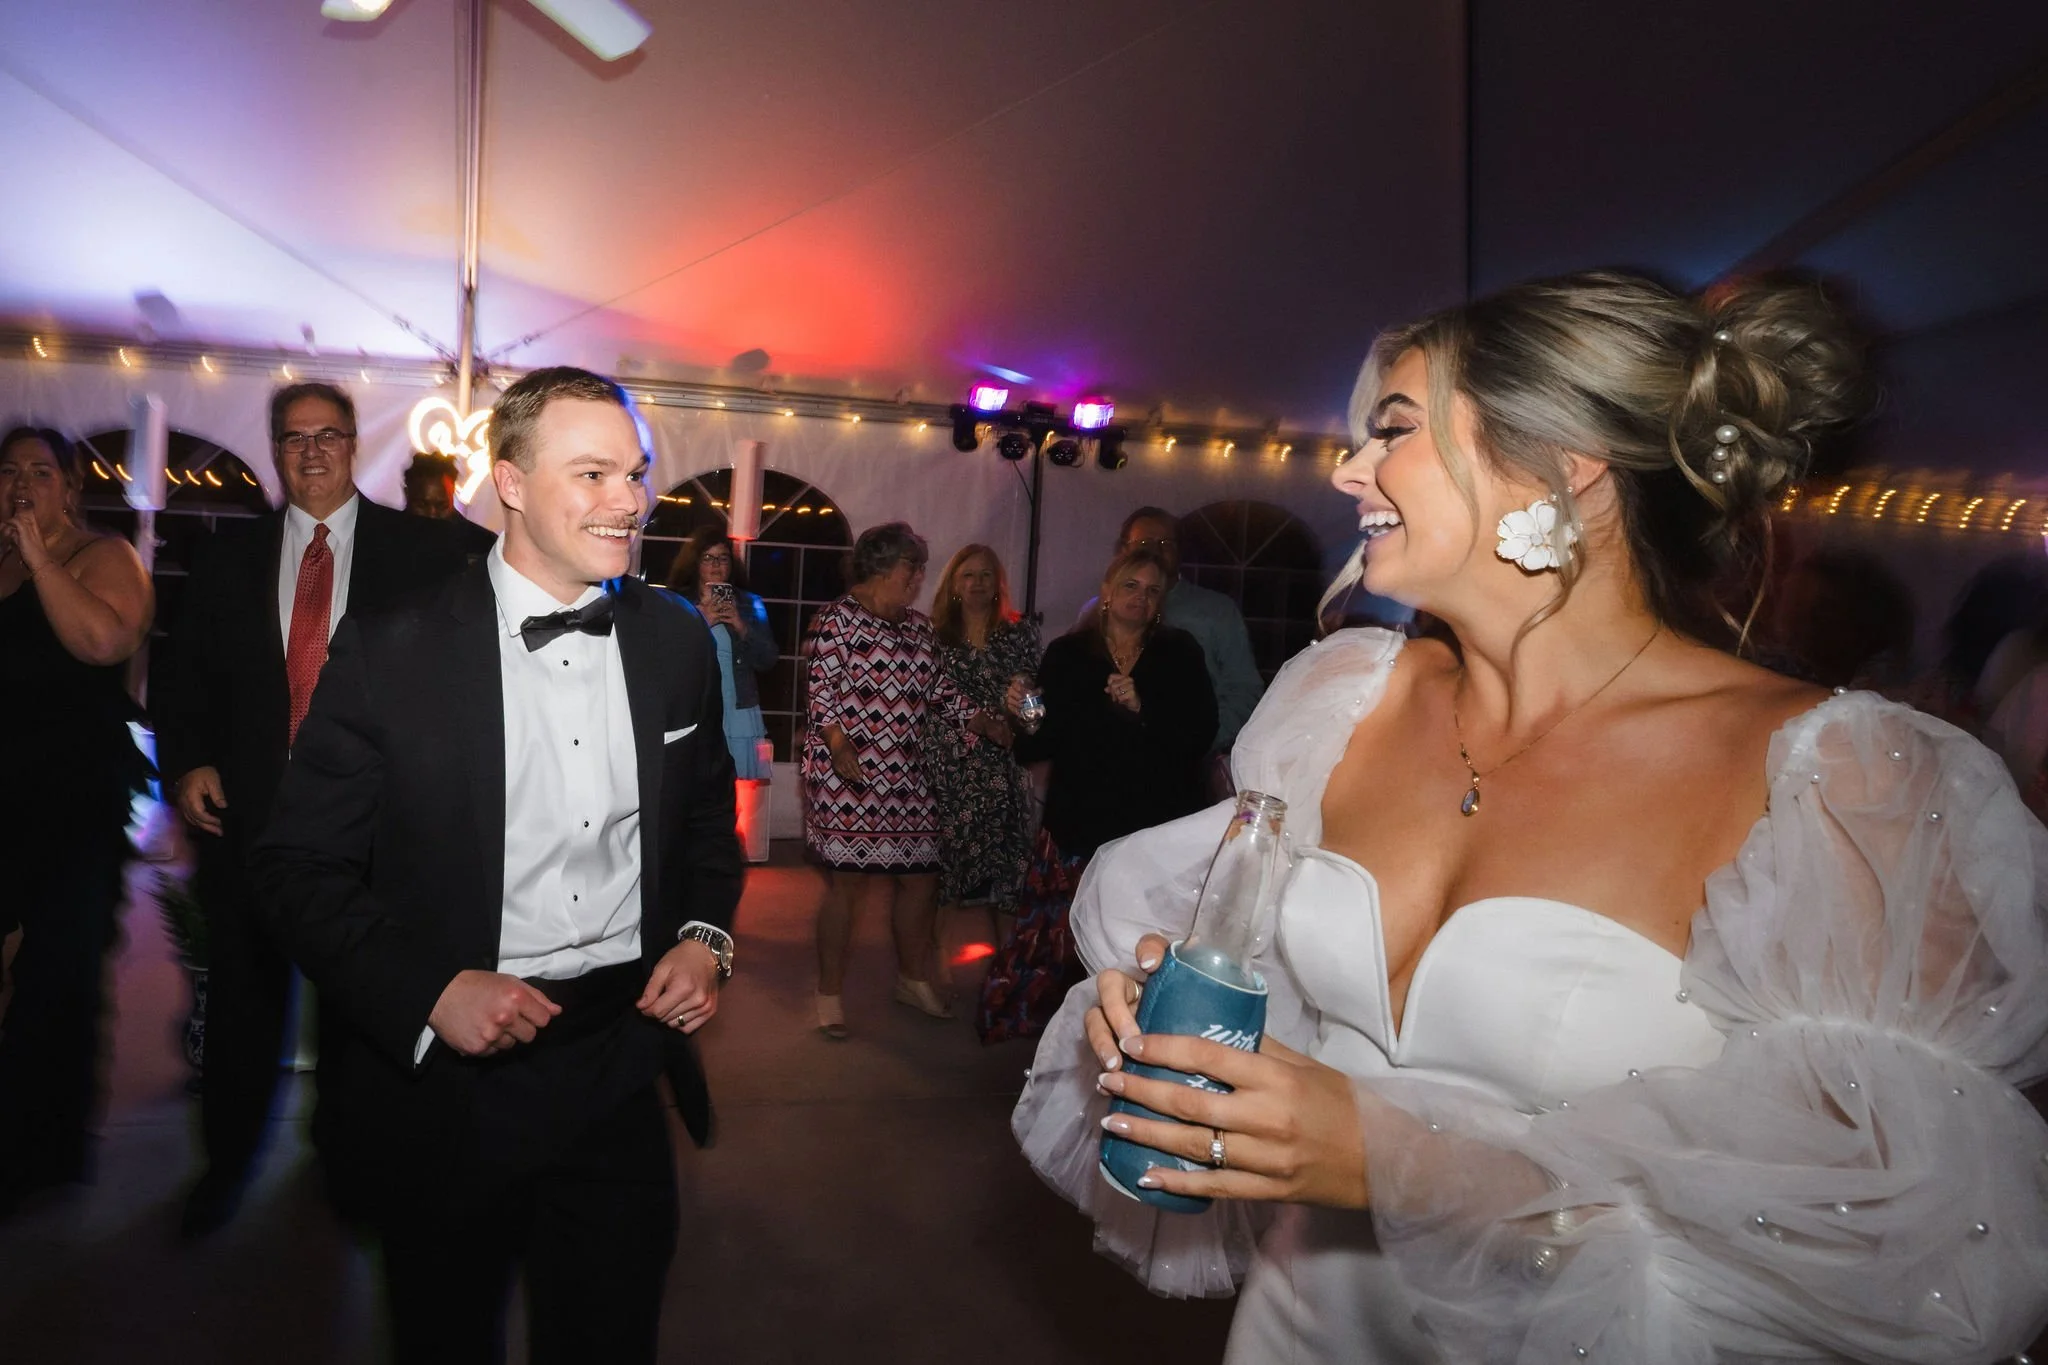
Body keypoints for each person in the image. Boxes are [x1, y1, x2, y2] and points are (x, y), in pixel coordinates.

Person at [1013, 271, 2048, 1361]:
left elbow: (1875, 1256)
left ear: (1565, 465)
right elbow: (1285, 996)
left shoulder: (1834, 784)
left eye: (1393, 430)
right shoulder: (1343, 700)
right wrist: (1188, 1024)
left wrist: (1395, 1161)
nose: (1348, 468)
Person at [249, 366, 743, 1364]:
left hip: (617, 1056)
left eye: (635, 474)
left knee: (609, 1335)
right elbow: (297, 867)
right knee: (444, 1331)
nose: (630, 501)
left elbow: (702, 828)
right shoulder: (393, 651)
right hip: (452, 1087)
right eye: (594, 473)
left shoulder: (675, 643)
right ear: (508, 481)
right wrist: (427, 989)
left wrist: (703, 938)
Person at [153, 382, 478, 1239]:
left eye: (327, 435)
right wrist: (186, 762)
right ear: (274, 448)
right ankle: (225, 1171)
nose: (311, 452)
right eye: (293, 438)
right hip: (250, 827)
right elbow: (181, 677)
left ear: (353, 443)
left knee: (359, 1017)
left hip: (373, 831)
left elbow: (484, 631)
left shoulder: (423, 552)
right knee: (242, 1011)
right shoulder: (226, 556)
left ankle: (351, 1177)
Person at [0, 426, 154, 1217]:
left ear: (69, 487)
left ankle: (38, 1152)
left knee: (58, 977)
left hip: (74, 797)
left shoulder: (103, 556)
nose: (22, 483)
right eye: (9, 470)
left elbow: (101, 641)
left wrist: (37, 559)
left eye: (40, 471)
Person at [981, 545, 1215, 1042]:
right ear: (1106, 593)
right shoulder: (1068, 653)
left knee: (1135, 943)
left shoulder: (1181, 651)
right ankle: (1052, 1037)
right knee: (1059, 940)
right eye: (1130, 585)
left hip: (1152, 826)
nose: (1141, 597)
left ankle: (1138, 1030)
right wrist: (1023, 712)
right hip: (1079, 823)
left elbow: (1199, 736)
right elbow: (1040, 741)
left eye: (1152, 591)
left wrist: (1143, 711)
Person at [803, 522, 996, 1038]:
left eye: (917, 568)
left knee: (921, 875)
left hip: (903, 773)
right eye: (911, 567)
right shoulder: (836, 621)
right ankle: (829, 993)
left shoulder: (918, 628)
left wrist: (981, 719)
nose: (917, 578)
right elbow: (821, 696)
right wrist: (840, 745)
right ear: (881, 566)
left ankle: (912, 979)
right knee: (848, 882)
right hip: (846, 773)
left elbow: (940, 692)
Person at [1077, 508, 1263, 759]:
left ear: (1179, 551)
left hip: (1183, 763)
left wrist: (1200, 740)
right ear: (1123, 549)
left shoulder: (1215, 611)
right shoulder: (1095, 612)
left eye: (1165, 543)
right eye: (1143, 543)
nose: (1154, 550)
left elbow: (1244, 688)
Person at [927, 544, 1040, 918]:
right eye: (968, 574)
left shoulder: (1018, 632)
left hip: (1003, 769)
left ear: (998, 583)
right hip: (949, 768)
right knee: (943, 876)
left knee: (1005, 878)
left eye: (986, 574)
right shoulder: (933, 635)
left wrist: (1024, 717)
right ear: (954, 583)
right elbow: (926, 699)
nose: (977, 582)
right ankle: (931, 965)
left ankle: (1004, 970)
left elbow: (1035, 704)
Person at [663, 526, 777, 784]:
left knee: (736, 796)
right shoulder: (675, 602)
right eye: (708, 558)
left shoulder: (749, 603)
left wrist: (740, 624)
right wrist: (702, 621)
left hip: (737, 710)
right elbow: (664, 658)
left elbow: (768, 659)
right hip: (693, 707)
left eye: (723, 558)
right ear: (695, 563)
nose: (716, 565)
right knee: (691, 787)